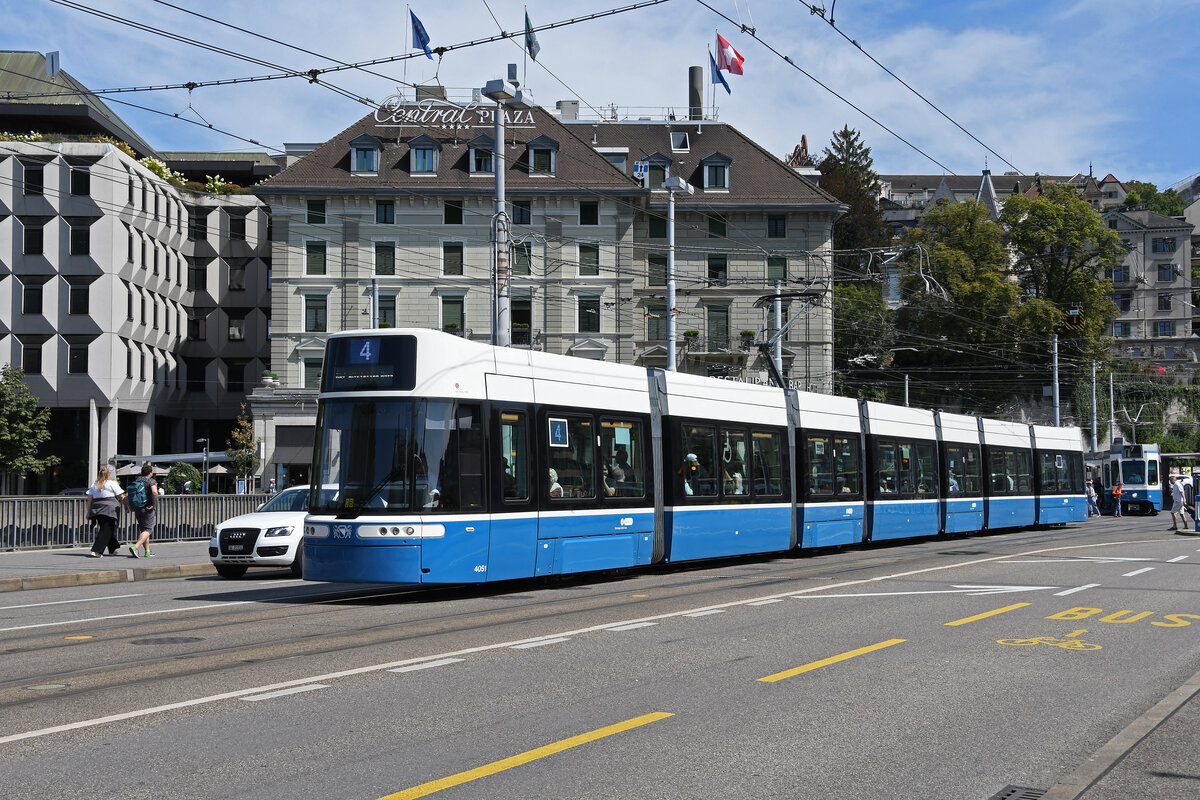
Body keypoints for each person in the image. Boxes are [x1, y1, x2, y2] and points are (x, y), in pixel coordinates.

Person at [84, 465, 125, 557]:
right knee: (106, 529)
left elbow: (89, 499)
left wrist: (88, 512)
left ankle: (112, 548)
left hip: (97, 508)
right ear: (108, 474)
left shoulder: (94, 485)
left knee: (105, 527)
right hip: (110, 508)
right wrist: (127, 505)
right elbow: (121, 496)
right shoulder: (112, 483)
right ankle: (97, 550)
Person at [128, 463, 159, 558]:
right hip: (147, 508)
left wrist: (131, 506)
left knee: (143, 530)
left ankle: (147, 552)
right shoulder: (151, 481)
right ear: (150, 473)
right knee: (149, 529)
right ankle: (135, 547)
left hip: (137, 507)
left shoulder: (137, 481)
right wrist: (153, 505)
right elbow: (154, 492)